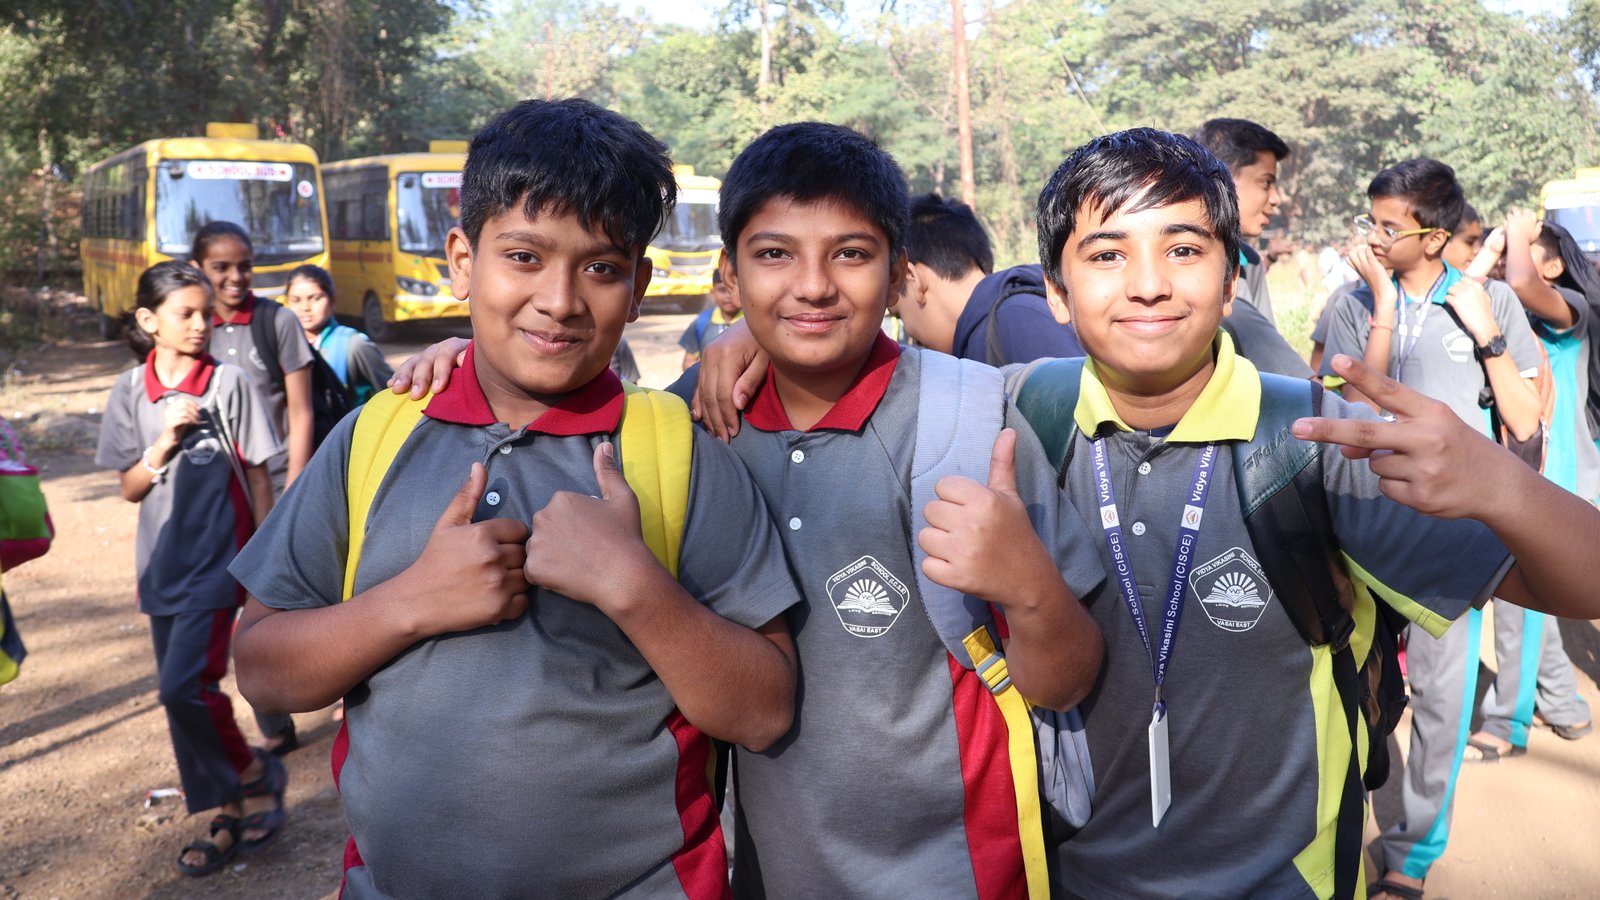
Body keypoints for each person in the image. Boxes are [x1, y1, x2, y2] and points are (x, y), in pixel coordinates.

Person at [392, 121, 1107, 898]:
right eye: (774, 255)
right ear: (729, 277)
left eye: (851, 254)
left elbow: (1066, 682)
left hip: (966, 870)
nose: (813, 286)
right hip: (769, 874)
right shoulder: (686, 428)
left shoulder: (971, 425)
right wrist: (459, 359)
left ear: (900, 274)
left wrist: (1029, 589)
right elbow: (549, 389)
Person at [228, 98, 800, 899]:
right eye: (524, 257)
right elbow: (262, 670)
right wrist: (411, 602)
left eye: (601, 268)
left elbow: (764, 712)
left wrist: (635, 588)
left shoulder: (682, 451)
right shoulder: (376, 436)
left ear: (638, 285)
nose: (560, 300)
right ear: (463, 261)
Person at [1020, 128, 1600, 898]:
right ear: (1056, 291)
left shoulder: (1314, 442)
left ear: (1232, 279)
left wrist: (1503, 484)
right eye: (1106, 255)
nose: (1149, 284)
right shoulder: (1023, 416)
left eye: (1184, 249)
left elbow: (1582, 585)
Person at [1321, 159, 1546, 898]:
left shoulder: (1489, 301)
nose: (1372, 237)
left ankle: (1412, 854)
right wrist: (1384, 302)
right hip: (1358, 529)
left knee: (1442, 699)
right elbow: (1347, 411)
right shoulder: (1352, 303)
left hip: (1447, 538)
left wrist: (1488, 336)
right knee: (1347, 688)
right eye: (1370, 221)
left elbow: (1523, 419)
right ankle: (1333, 835)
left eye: (1389, 227)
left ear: (1435, 237)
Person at [93, 261, 287, 877]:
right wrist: (165, 441)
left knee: (183, 687)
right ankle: (229, 808)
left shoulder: (229, 383)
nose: (203, 324)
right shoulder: (129, 390)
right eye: (187, 313)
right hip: (160, 566)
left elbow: (258, 474)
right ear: (149, 321)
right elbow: (130, 488)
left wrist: (266, 561)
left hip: (220, 562)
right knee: (184, 702)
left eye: (207, 313)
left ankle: (254, 774)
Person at [1463, 209, 1596, 763]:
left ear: (1555, 266)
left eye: (1521, 250)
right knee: (1529, 602)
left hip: (1561, 481)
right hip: (1532, 474)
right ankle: (1564, 704)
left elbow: (1520, 280)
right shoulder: (1509, 315)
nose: (1505, 261)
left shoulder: (1572, 312)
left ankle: (1508, 724)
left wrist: (1517, 231)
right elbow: (1461, 290)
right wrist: (1495, 246)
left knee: (1519, 608)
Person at [189, 221, 309, 756]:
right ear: (198, 268)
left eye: (245, 266)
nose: (236, 277)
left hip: (276, 488)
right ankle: (268, 723)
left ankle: (294, 711)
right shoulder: (191, 326)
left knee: (274, 605)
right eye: (221, 267)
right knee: (231, 608)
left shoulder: (276, 321)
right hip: (218, 495)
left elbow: (300, 412)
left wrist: (296, 493)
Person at [1191, 118, 1315, 378]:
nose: (1276, 199)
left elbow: (1270, 371)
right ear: (1220, 178)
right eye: (1266, 182)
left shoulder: (1249, 260)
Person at [284, 265, 394, 405]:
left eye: (315, 298)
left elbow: (391, 394)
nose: (305, 307)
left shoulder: (354, 345)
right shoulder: (283, 346)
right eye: (296, 300)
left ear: (332, 300)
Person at [679, 269, 742, 370]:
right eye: (722, 290)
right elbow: (689, 361)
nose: (729, 296)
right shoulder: (701, 322)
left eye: (734, 290)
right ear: (712, 293)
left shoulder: (752, 322)